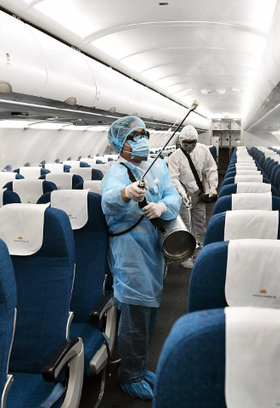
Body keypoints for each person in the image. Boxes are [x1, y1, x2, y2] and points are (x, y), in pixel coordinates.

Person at [101, 116, 181, 400]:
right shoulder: (118, 171)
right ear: (120, 143)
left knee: (150, 313)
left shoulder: (157, 165)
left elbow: (175, 198)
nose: (142, 140)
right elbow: (108, 200)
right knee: (135, 314)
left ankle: (140, 364)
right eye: (134, 136)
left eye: (144, 134)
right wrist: (125, 193)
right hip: (130, 252)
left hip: (152, 250)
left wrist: (162, 207)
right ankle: (129, 375)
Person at [167, 125, 218, 268]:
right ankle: (186, 254)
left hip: (198, 193)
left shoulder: (203, 150)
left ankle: (200, 251)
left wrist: (213, 185)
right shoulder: (174, 157)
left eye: (192, 143)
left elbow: (211, 168)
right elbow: (174, 178)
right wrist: (182, 193)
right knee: (185, 224)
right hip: (182, 194)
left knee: (200, 222)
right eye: (186, 144)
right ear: (180, 142)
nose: (189, 147)